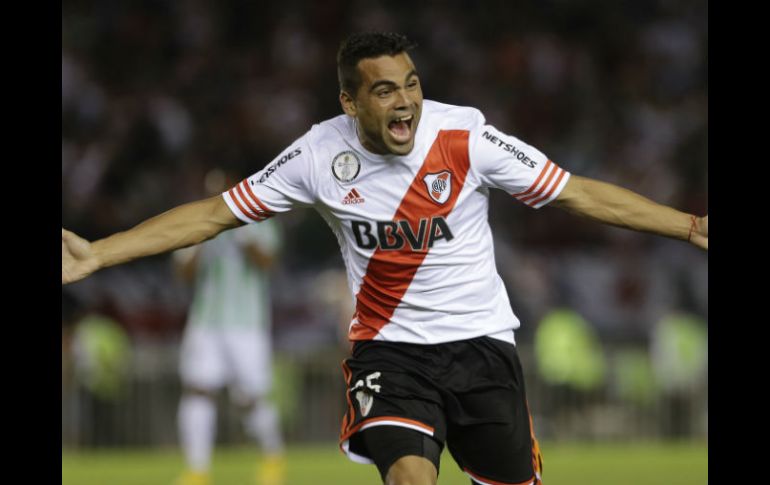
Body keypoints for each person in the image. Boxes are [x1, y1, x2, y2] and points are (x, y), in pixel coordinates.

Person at [63, 32, 708, 485]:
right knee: (407, 475)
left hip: (481, 346)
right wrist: (97, 253)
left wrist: (689, 225)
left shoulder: (464, 135)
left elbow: (577, 193)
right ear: (350, 102)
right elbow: (212, 214)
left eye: (411, 84)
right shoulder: (318, 155)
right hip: (389, 353)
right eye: (384, 91)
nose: (404, 102)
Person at [172, 169, 285, 485]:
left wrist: (238, 231)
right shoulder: (196, 221)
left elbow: (268, 263)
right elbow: (183, 275)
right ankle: (197, 470)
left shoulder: (258, 219)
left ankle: (272, 458)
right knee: (197, 389)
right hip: (205, 320)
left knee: (251, 396)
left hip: (246, 322)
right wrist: (199, 241)